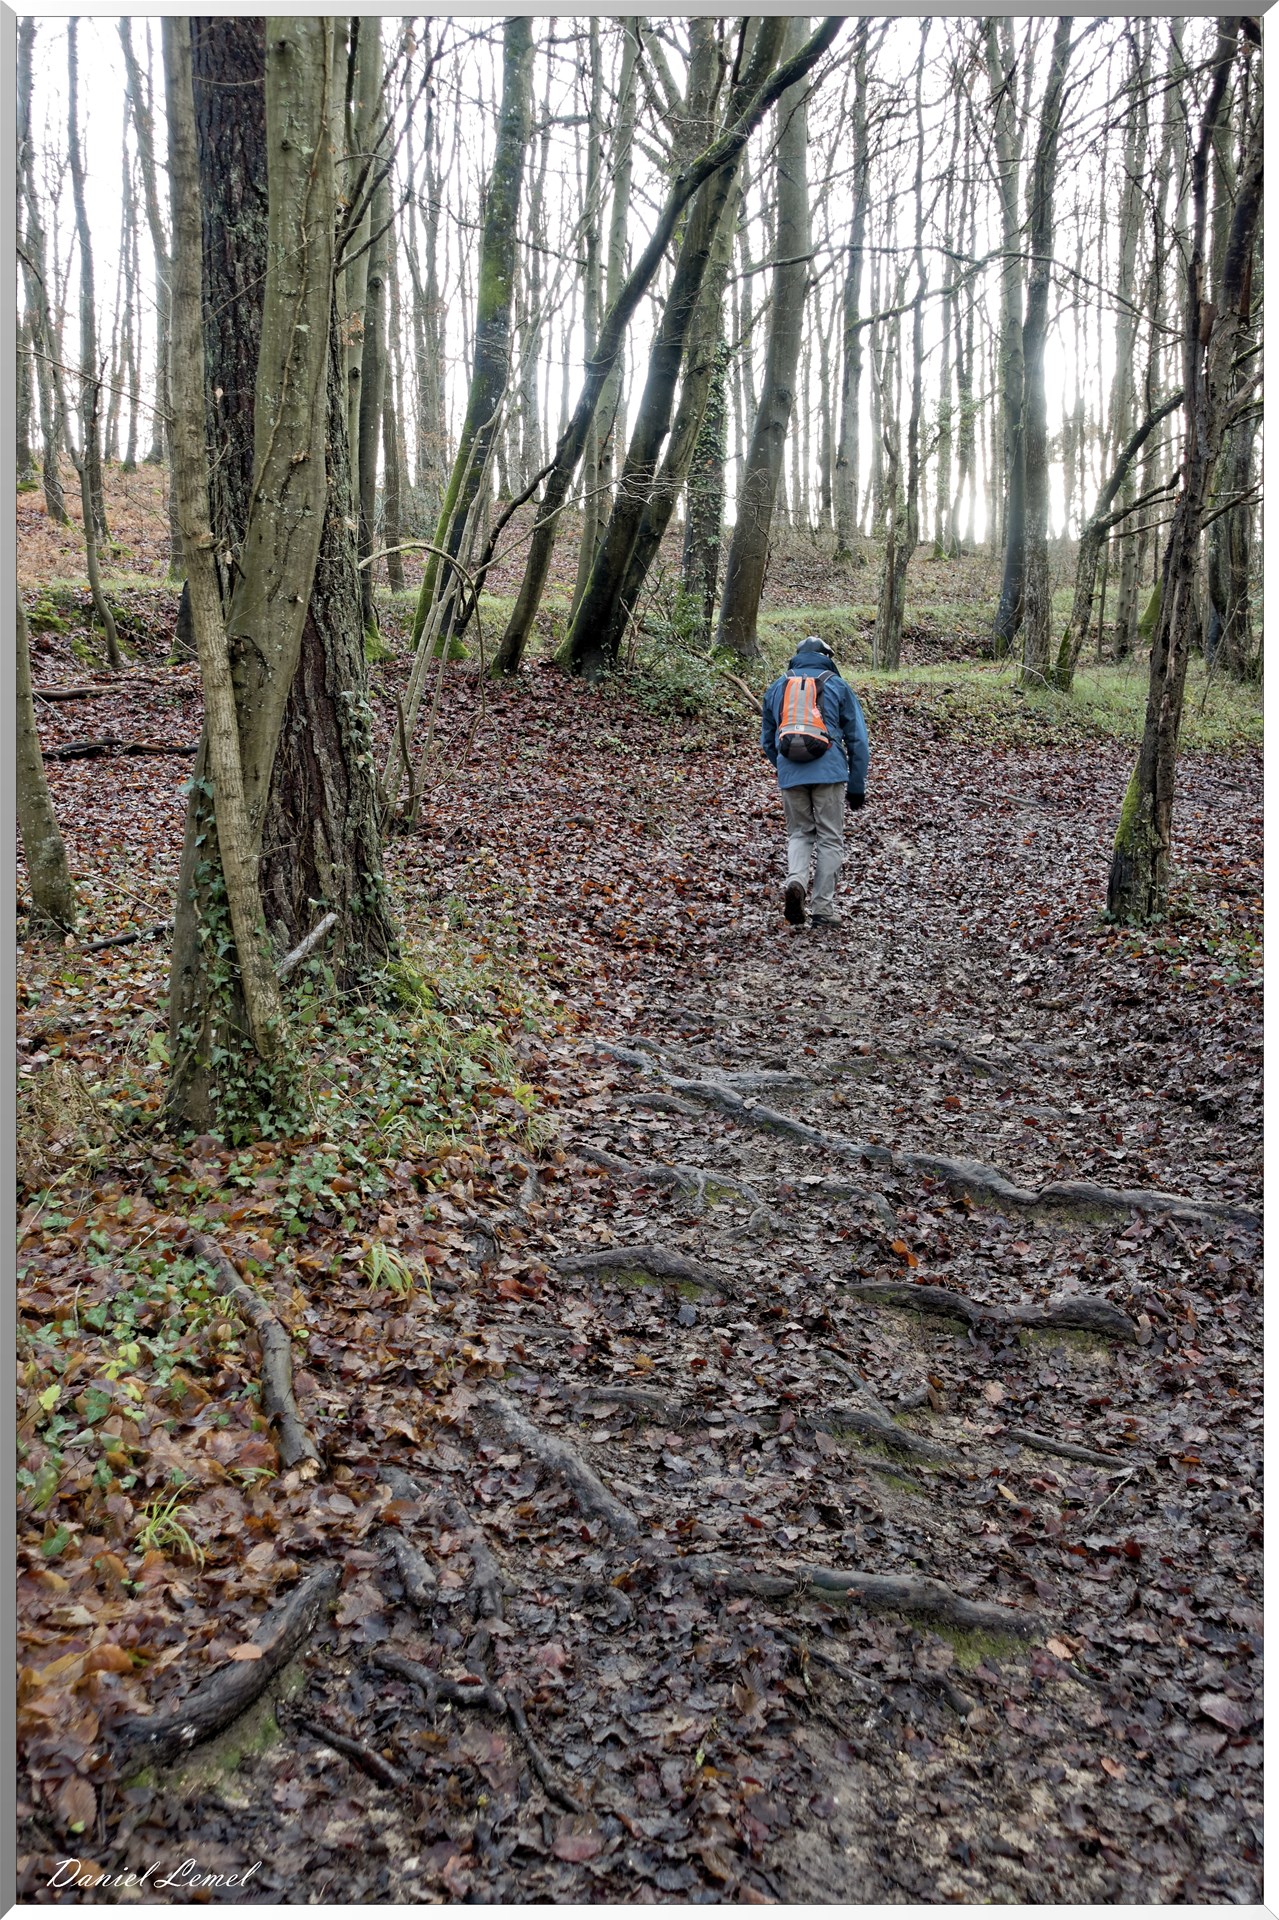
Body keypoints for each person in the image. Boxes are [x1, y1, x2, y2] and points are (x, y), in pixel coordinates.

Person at [760, 635, 869, 929]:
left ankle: (796, 881)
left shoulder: (777, 686)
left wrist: (785, 767)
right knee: (830, 838)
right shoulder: (837, 685)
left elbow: (767, 740)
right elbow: (858, 738)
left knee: (799, 834)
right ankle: (823, 908)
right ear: (827, 656)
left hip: (791, 772)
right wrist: (857, 783)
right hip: (830, 771)